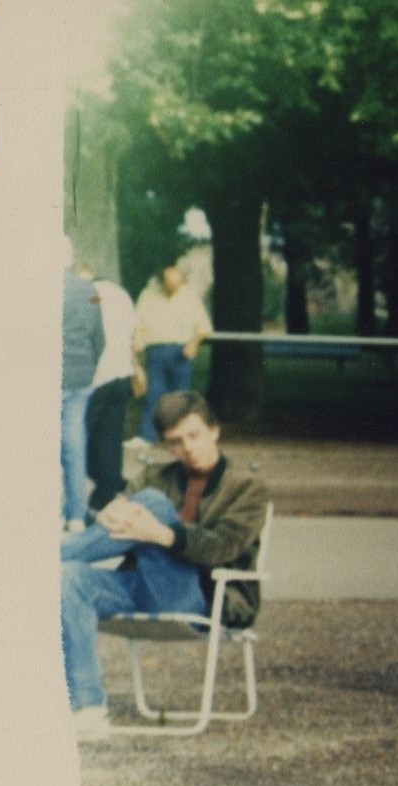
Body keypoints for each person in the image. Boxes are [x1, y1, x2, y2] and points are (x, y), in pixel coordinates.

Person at [58, 390, 268, 739]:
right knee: (68, 576)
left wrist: (161, 533)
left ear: (214, 430)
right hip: (142, 586)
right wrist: (108, 511)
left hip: (202, 593)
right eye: (174, 442)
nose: (186, 448)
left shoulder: (247, 488)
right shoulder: (158, 476)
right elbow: (115, 527)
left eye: (194, 436)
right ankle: (89, 709)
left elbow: (221, 547)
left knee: (152, 504)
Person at [133, 260, 211, 444]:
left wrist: (193, 343)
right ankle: (147, 436)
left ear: (182, 282)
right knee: (154, 395)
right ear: (162, 282)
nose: (173, 290)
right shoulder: (148, 295)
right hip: (156, 350)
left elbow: (204, 327)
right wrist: (137, 338)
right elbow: (138, 323)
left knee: (181, 397)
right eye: (169, 286)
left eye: (176, 286)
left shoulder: (190, 296)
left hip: (181, 352)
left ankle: (179, 437)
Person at [83, 263, 139, 513]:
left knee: (82, 440)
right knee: (110, 438)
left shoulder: (88, 294)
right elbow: (134, 335)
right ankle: (109, 489)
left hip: (97, 376)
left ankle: (107, 485)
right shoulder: (121, 295)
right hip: (122, 374)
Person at [59, 258, 103, 531]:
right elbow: (100, 339)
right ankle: (76, 514)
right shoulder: (90, 290)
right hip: (81, 375)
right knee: (75, 445)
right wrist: (88, 366)